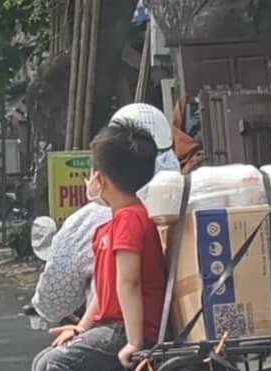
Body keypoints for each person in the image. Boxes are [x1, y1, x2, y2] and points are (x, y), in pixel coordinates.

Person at [32, 121, 165, 371]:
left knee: (54, 368)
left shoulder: (130, 222)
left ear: (101, 179)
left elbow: (130, 284)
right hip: (108, 324)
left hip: (125, 329)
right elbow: (103, 293)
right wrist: (81, 327)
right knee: (45, 361)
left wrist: (134, 341)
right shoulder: (111, 225)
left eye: (93, 170)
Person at [31, 102, 179, 324]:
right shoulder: (191, 199)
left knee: (54, 360)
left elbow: (54, 302)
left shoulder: (95, 222)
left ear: (101, 176)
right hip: (173, 328)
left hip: (124, 334)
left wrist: (132, 342)